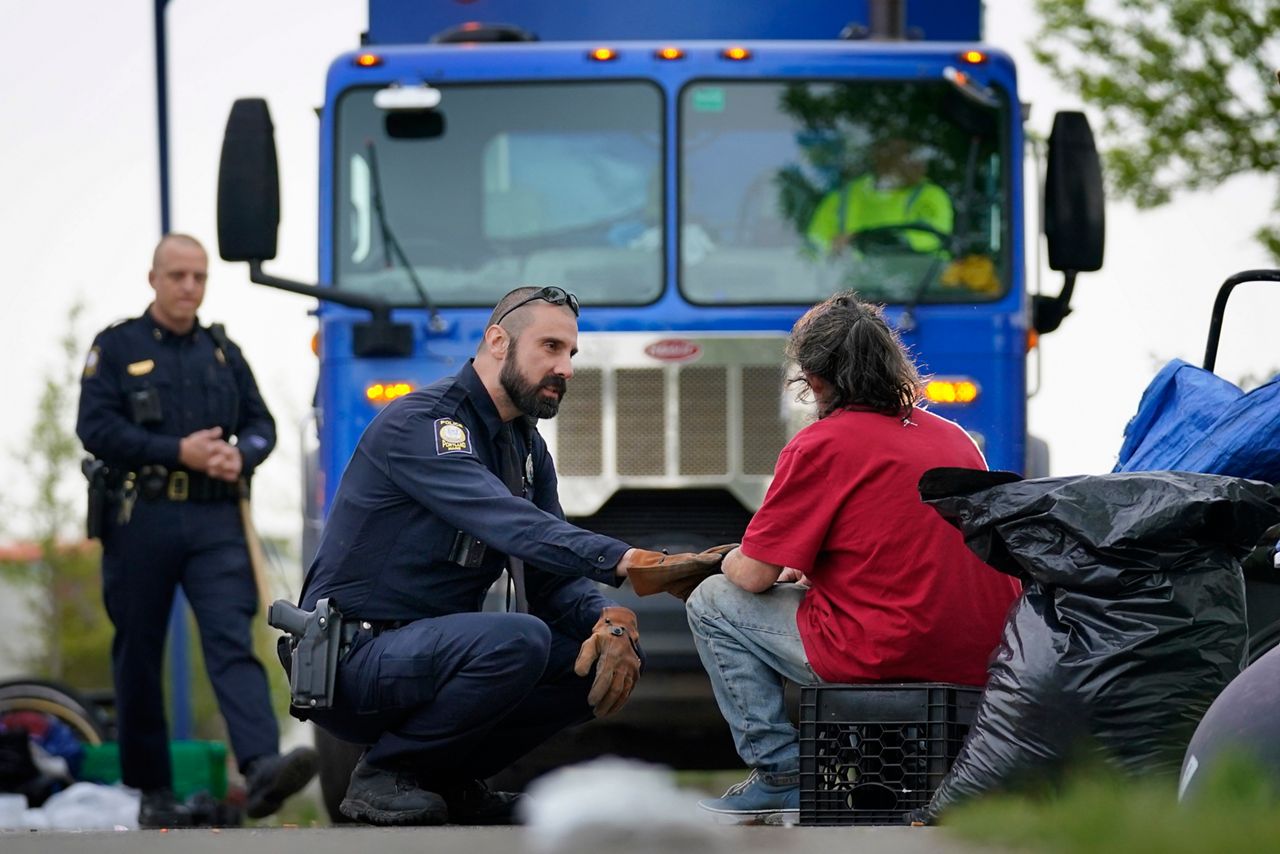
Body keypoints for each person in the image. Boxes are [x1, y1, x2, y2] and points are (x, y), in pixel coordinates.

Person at [296, 285, 724, 827]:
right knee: (521, 639)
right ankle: (383, 774)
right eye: (549, 347)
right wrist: (631, 561)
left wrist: (607, 621)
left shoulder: (524, 445)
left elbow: (549, 576)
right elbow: (516, 526)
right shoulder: (427, 425)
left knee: (586, 660)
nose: (565, 367)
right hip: (354, 660)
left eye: (571, 353)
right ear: (498, 342)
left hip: (424, 657)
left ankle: (448, 781)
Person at [686, 291, 1020, 825]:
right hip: (980, 656)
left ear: (815, 379)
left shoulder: (821, 444)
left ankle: (781, 775)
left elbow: (749, 577)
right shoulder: (955, 438)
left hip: (886, 651)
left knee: (712, 601)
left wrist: (724, 559)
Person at [76, 234, 317, 827]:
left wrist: (244, 454)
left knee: (231, 640)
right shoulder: (116, 346)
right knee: (138, 652)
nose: (189, 287)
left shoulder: (221, 352)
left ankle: (260, 765)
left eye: (199, 277)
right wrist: (175, 449)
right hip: (143, 518)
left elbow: (261, 425)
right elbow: (95, 427)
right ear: (153, 278)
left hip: (215, 520)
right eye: (178, 275)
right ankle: (152, 788)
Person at [806, 137, 954, 255]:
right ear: (878, 157)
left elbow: (931, 241)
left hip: (921, 287)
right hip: (849, 287)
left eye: (912, 154)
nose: (912, 162)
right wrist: (831, 248)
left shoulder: (930, 196)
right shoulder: (842, 198)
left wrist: (865, 240)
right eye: (900, 154)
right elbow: (812, 249)